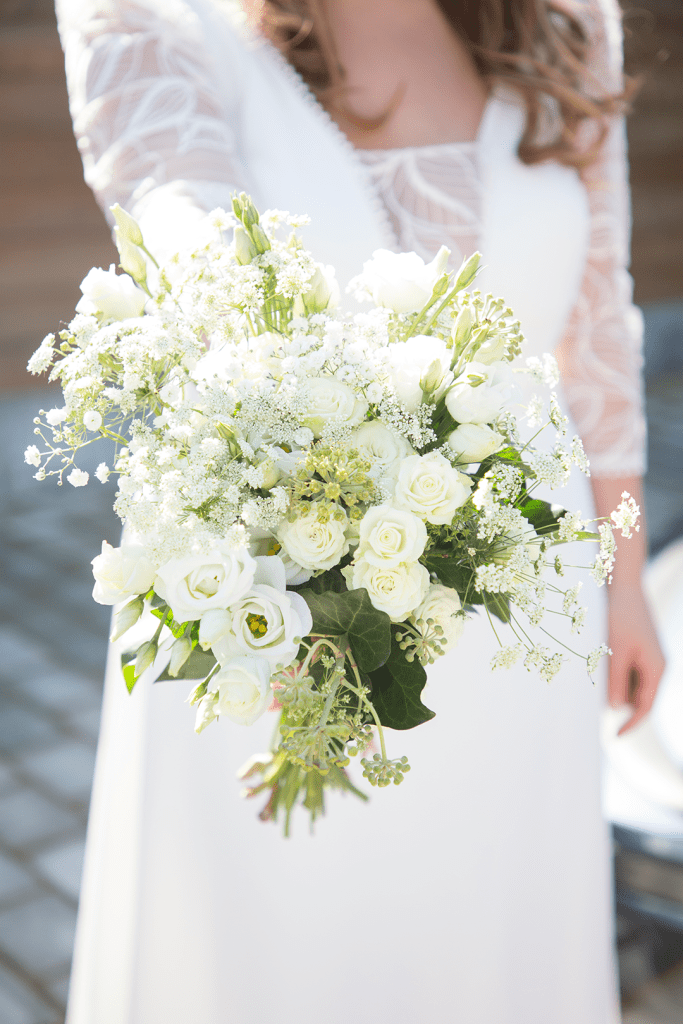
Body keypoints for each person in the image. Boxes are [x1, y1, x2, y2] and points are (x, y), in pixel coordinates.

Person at [55, 1, 665, 1021]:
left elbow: (596, 312)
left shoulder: (563, 24)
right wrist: (304, 595)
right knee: (283, 946)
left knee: (490, 934)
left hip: (523, 612)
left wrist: (625, 573)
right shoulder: (157, 18)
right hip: (268, 607)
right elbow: (186, 250)